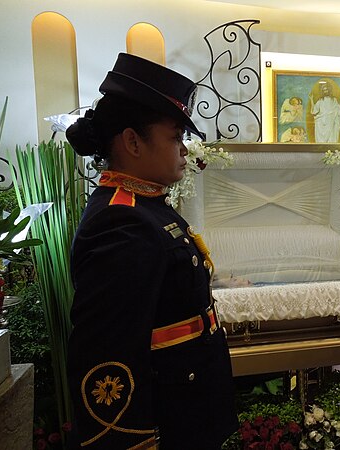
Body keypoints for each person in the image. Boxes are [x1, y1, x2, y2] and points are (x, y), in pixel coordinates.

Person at [65, 53, 238, 450]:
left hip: (189, 413)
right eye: (176, 136)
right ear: (132, 142)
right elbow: (108, 354)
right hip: (166, 426)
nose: (184, 148)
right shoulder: (119, 222)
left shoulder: (145, 205)